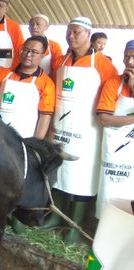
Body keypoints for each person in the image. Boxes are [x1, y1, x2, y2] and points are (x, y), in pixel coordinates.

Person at [45, 17, 118, 244]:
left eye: (76, 32)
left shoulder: (104, 65)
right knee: (60, 173)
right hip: (61, 127)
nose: (71, 36)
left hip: (87, 131)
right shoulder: (60, 60)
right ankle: (57, 216)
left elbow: (112, 97)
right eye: (69, 32)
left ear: (88, 34)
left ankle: (74, 225)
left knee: (81, 177)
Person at [0, 36, 55, 139]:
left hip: (25, 137)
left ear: (42, 56)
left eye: (34, 52)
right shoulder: (5, 74)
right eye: (25, 50)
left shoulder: (46, 83)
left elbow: (45, 116)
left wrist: (36, 143)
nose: (28, 54)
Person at [94, 40, 134, 219]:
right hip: (115, 155)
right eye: (126, 56)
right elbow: (105, 119)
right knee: (109, 191)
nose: (130, 62)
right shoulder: (113, 83)